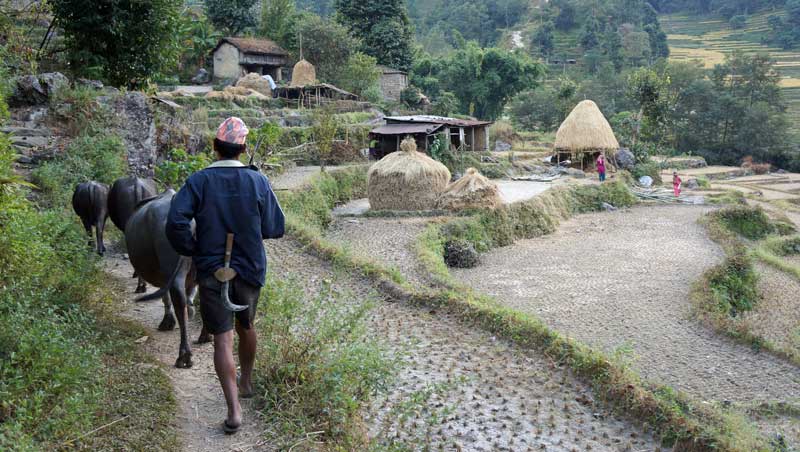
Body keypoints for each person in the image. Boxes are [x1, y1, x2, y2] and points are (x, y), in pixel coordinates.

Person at [165, 117, 285, 434]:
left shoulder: (198, 181)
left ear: (215, 147)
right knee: (247, 325)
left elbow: (175, 222)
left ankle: (233, 412)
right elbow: (275, 227)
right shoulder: (258, 181)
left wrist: (194, 248)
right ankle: (245, 380)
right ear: (243, 149)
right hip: (249, 270)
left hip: (210, 270)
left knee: (222, 337)